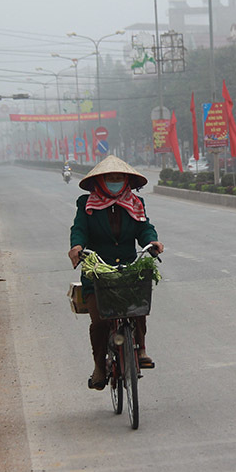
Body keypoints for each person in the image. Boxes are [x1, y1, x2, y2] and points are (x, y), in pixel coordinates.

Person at [67, 156, 164, 390]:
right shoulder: (86, 204)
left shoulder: (135, 202)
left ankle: (140, 349)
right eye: (110, 178)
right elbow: (79, 229)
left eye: (118, 178)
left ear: (126, 181)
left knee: (139, 306)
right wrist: (77, 247)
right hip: (97, 271)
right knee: (100, 322)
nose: (114, 181)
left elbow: (144, 227)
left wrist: (152, 242)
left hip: (128, 269)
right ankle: (99, 366)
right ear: (100, 181)